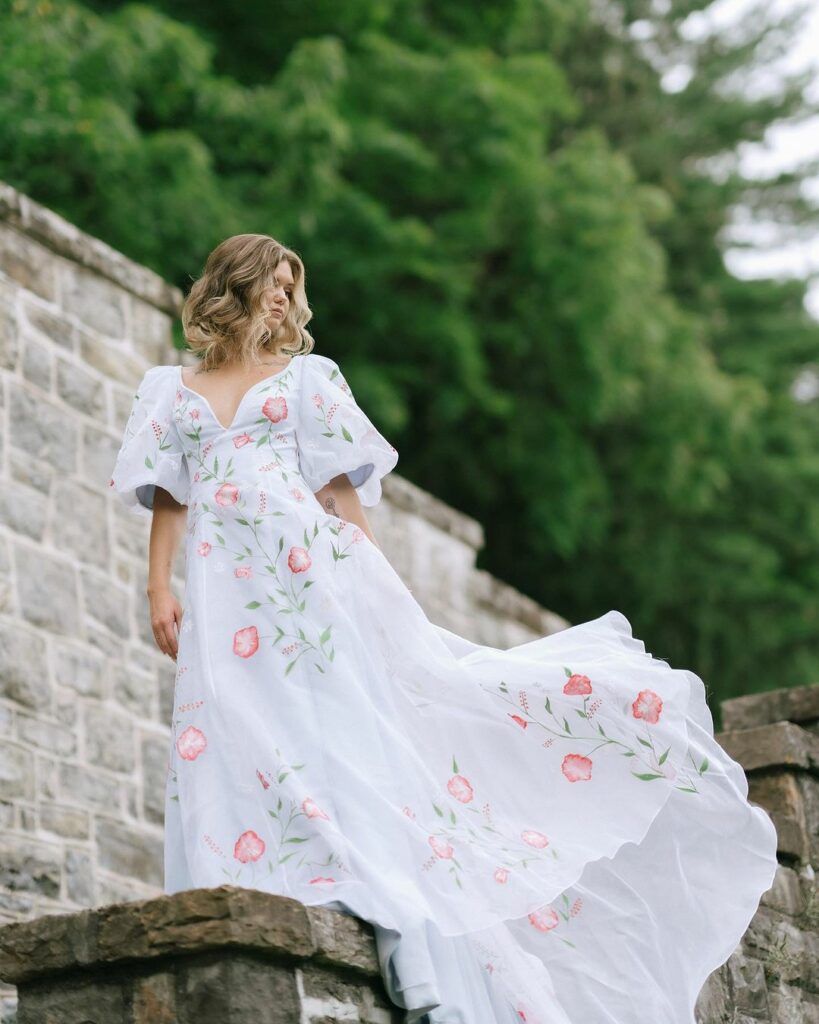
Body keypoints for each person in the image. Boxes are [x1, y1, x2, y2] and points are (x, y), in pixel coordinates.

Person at [109, 233, 779, 1024]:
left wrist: (379, 599)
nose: (285, 298)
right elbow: (171, 497)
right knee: (220, 725)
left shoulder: (307, 381)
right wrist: (158, 585)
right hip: (220, 591)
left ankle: (376, 907)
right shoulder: (169, 390)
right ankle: (228, 884)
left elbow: (341, 501)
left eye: (294, 285)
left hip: (306, 588)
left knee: (323, 730)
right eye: (273, 283)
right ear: (234, 286)